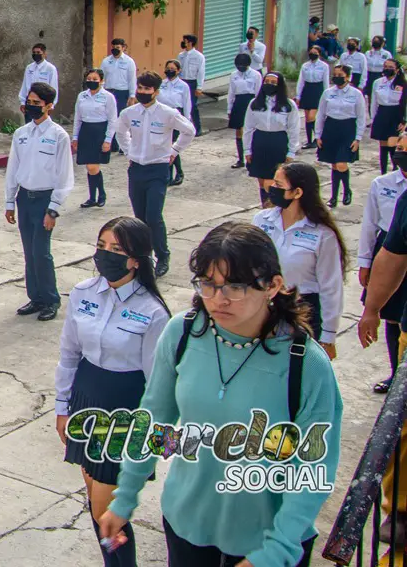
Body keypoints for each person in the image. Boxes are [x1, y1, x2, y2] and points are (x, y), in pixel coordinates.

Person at [101, 222, 342, 567]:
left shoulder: (306, 364)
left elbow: (314, 467)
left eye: (236, 286)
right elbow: (156, 418)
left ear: (273, 286)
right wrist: (125, 496)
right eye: (209, 285)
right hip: (187, 525)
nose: (219, 299)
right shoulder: (181, 333)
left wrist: (278, 549)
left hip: (264, 543)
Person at [56, 216, 170, 567]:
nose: (105, 255)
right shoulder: (83, 293)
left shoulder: (153, 312)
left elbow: (159, 380)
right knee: (95, 502)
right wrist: (63, 406)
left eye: (117, 249)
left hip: (125, 409)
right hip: (87, 399)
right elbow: (69, 353)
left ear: (137, 258)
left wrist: (156, 433)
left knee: (107, 510)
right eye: (101, 246)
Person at [253, 162, 344, 361]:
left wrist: (329, 335)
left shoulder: (322, 234)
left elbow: (331, 286)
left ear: (297, 192)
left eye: (279, 185)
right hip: (265, 305)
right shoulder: (262, 221)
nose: (272, 188)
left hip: (303, 310)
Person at [116, 72, 195, 277]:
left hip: (158, 169)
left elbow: (189, 131)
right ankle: (143, 257)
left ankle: (163, 255)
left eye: (147, 89)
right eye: (140, 88)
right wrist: (128, 151)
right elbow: (120, 131)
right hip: (136, 169)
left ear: (156, 92)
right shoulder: (129, 113)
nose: (142, 92)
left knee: (153, 215)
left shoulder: (167, 113)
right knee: (139, 217)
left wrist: (174, 151)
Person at [6, 83, 73, 321]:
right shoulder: (21, 134)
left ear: (49, 106)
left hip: (45, 200)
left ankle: (50, 299)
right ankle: (35, 297)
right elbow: (13, 168)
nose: (32, 107)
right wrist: (9, 201)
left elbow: (65, 177)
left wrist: (53, 210)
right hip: (24, 197)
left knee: (41, 252)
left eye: (37, 103)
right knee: (29, 252)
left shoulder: (58, 136)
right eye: (30, 102)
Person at [360, 135, 407, 393]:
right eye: (399, 149)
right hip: (390, 248)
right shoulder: (385, 186)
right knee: (393, 318)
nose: (399, 154)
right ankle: (396, 374)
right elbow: (370, 226)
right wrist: (371, 308)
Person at [243, 72, 302, 208]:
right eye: (267, 82)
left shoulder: (288, 105)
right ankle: (265, 208)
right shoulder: (255, 103)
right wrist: (247, 149)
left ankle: (274, 209)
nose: (269, 85)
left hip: (278, 142)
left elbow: (294, 129)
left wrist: (291, 151)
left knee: (271, 183)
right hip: (259, 141)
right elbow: (248, 127)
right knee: (262, 182)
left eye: (273, 83)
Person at [315, 65, 366, 208]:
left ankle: (347, 190)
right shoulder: (328, 93)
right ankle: (333, 196)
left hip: (347, 129)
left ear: (348, 77)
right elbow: (320, 114)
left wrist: (358, 138)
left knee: (341, 164)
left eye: (340, 74)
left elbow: (361, 117)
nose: (336, 77)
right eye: (335, 74)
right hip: (331, 128)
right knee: (334, 165)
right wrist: (318, 135)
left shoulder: (356, 94)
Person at [73, 68, 117, 209]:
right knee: (89, 166)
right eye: (89, 79)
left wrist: (108, 139)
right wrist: (75, 137)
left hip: (100, 131)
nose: (91, 82)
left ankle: (100, 195)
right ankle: (93, 197)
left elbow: (112, 119)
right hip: (86, 131)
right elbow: (77, 118)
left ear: (101, 81)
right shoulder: (82, 96)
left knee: (93, 166)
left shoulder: (108, 97)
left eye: (95, 79)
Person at [157, 60, 192, 186]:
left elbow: (187, 103)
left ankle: (178, 173)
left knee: (173, 145)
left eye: (172, 68)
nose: (169, 70)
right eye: (168, 68)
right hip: (163, 115)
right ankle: (168, 175)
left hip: (177, 115)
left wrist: (186, 120)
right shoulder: (161, 84)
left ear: (178, 71)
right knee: (165, 145)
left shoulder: (183, 86)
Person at [226, 52, 262, 169]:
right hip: (239, 102)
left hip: (251, 101)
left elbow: (258, 92)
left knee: (251, 130)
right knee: (239, 131)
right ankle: (241, 159)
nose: (240, 67)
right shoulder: (234, 75)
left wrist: (259, 108)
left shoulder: (256, 75)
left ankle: (252, 156)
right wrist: (229, 108)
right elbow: (231, 92)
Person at [370, 58, 406, 174]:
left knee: (393, 144)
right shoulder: (378, 82)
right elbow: (374, 102)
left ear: (396, 69)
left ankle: (396, 168)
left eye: (390, 67)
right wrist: (373, 118)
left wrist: (404, 120)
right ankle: (383, 171)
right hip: (382, 113)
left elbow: (404, 103)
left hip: (396, 114)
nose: (387, 69)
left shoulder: (401, 83)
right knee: (383, 145)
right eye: (385, 66)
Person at [102, 39, 137, 152]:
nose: (115, 49)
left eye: (118, 47)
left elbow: (132, 79)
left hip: (122, 92)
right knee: (109, 118)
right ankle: (111, 144)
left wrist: (132, 95)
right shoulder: (106, 61)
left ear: (123, 48)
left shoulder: (129, 61)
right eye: (113, 47)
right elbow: (102, 78)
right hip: (109, 91)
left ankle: (123, 144)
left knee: (121, 118)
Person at [298, 45, 331, 148]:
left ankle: (318, 137)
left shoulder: (324, 66)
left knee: (312, 116)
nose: (312, 54)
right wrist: (298, 95)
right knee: (307, 117)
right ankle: (309, 140)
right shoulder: (305, 66)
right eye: (311, 52)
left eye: (315, 52)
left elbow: (326, 81)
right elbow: (301, 81)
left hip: (318, 90)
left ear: (319, 54)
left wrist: (327, 95)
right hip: (307, 89)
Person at [20, 43, 59, 123]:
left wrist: (52, 105)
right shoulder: (29, 68)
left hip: (42, 103)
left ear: (44, 54)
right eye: (34, 53)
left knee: (42, 125)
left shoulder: (50, 68)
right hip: (30, 102)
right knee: (29, 125)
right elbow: (25, 85)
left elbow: (54, 87)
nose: (36, 54)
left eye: (38, 52)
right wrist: (22, 102)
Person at [178, 35, 205, 136]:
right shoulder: (181, 55)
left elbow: (201, 72)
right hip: (182, 81)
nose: (183, 43)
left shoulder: (199, 56)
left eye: (185, 41)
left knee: (192, 106)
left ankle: (197, 128)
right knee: (181, 105)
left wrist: (199, 87)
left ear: (190, 43)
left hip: (192, 82)